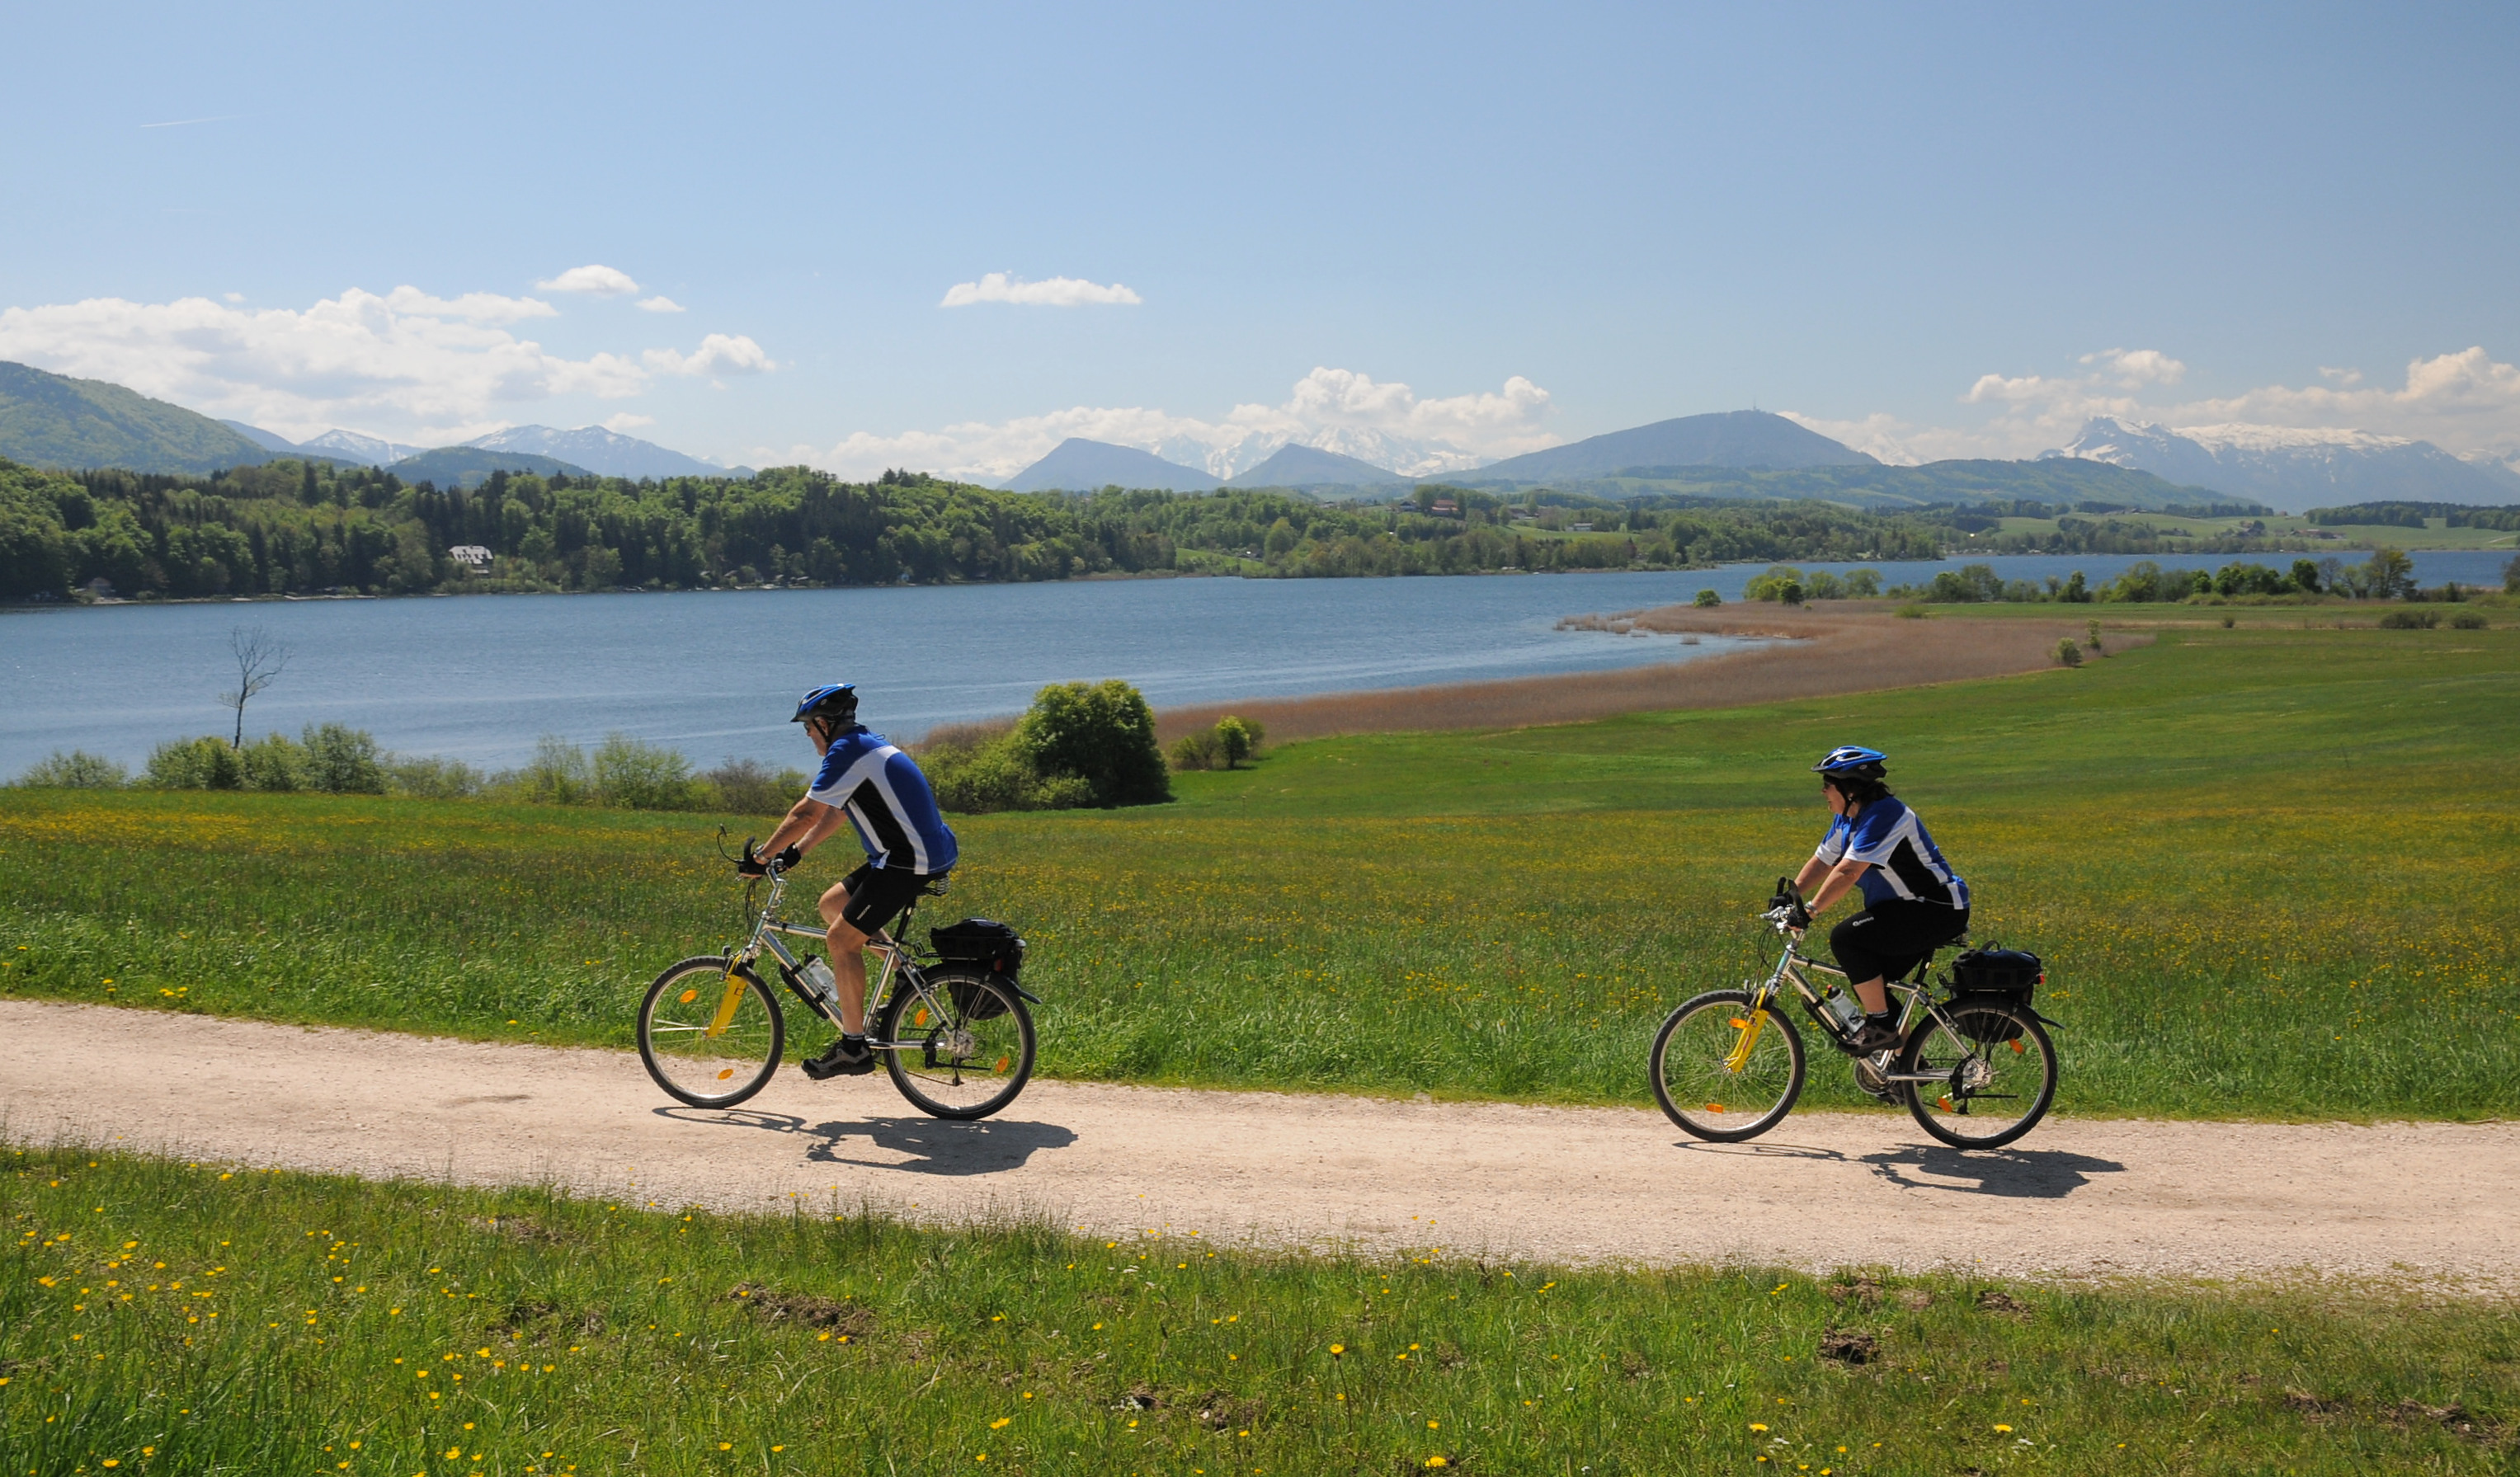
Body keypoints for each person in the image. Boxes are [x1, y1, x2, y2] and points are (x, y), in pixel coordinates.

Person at [743, 683, 959, 1080]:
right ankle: (904, 975)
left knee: (841, 940)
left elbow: (805, 813)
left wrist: (761, 858)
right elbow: (838, 811)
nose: (808, 736)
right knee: (832, 905)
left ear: (824, 724)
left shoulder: (846, 751)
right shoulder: (862, 745)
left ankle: (854, 1048)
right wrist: (797, 852)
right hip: (909, 855)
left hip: (909, 860)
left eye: (808, 728)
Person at [1788, 746, 1970, 1053]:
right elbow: (1823, 861)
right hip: (1904, 910)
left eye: (1827, 785)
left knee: (1846, 939)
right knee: (1868, 980)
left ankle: (1881, 1026)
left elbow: (1848, 871)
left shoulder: (1885, 814)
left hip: (1934, 908)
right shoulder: (1848, 818)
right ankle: (1906, 1063)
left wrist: (1810, 910)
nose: (1823, 792)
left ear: (1849, 789)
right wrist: (1788, 895)